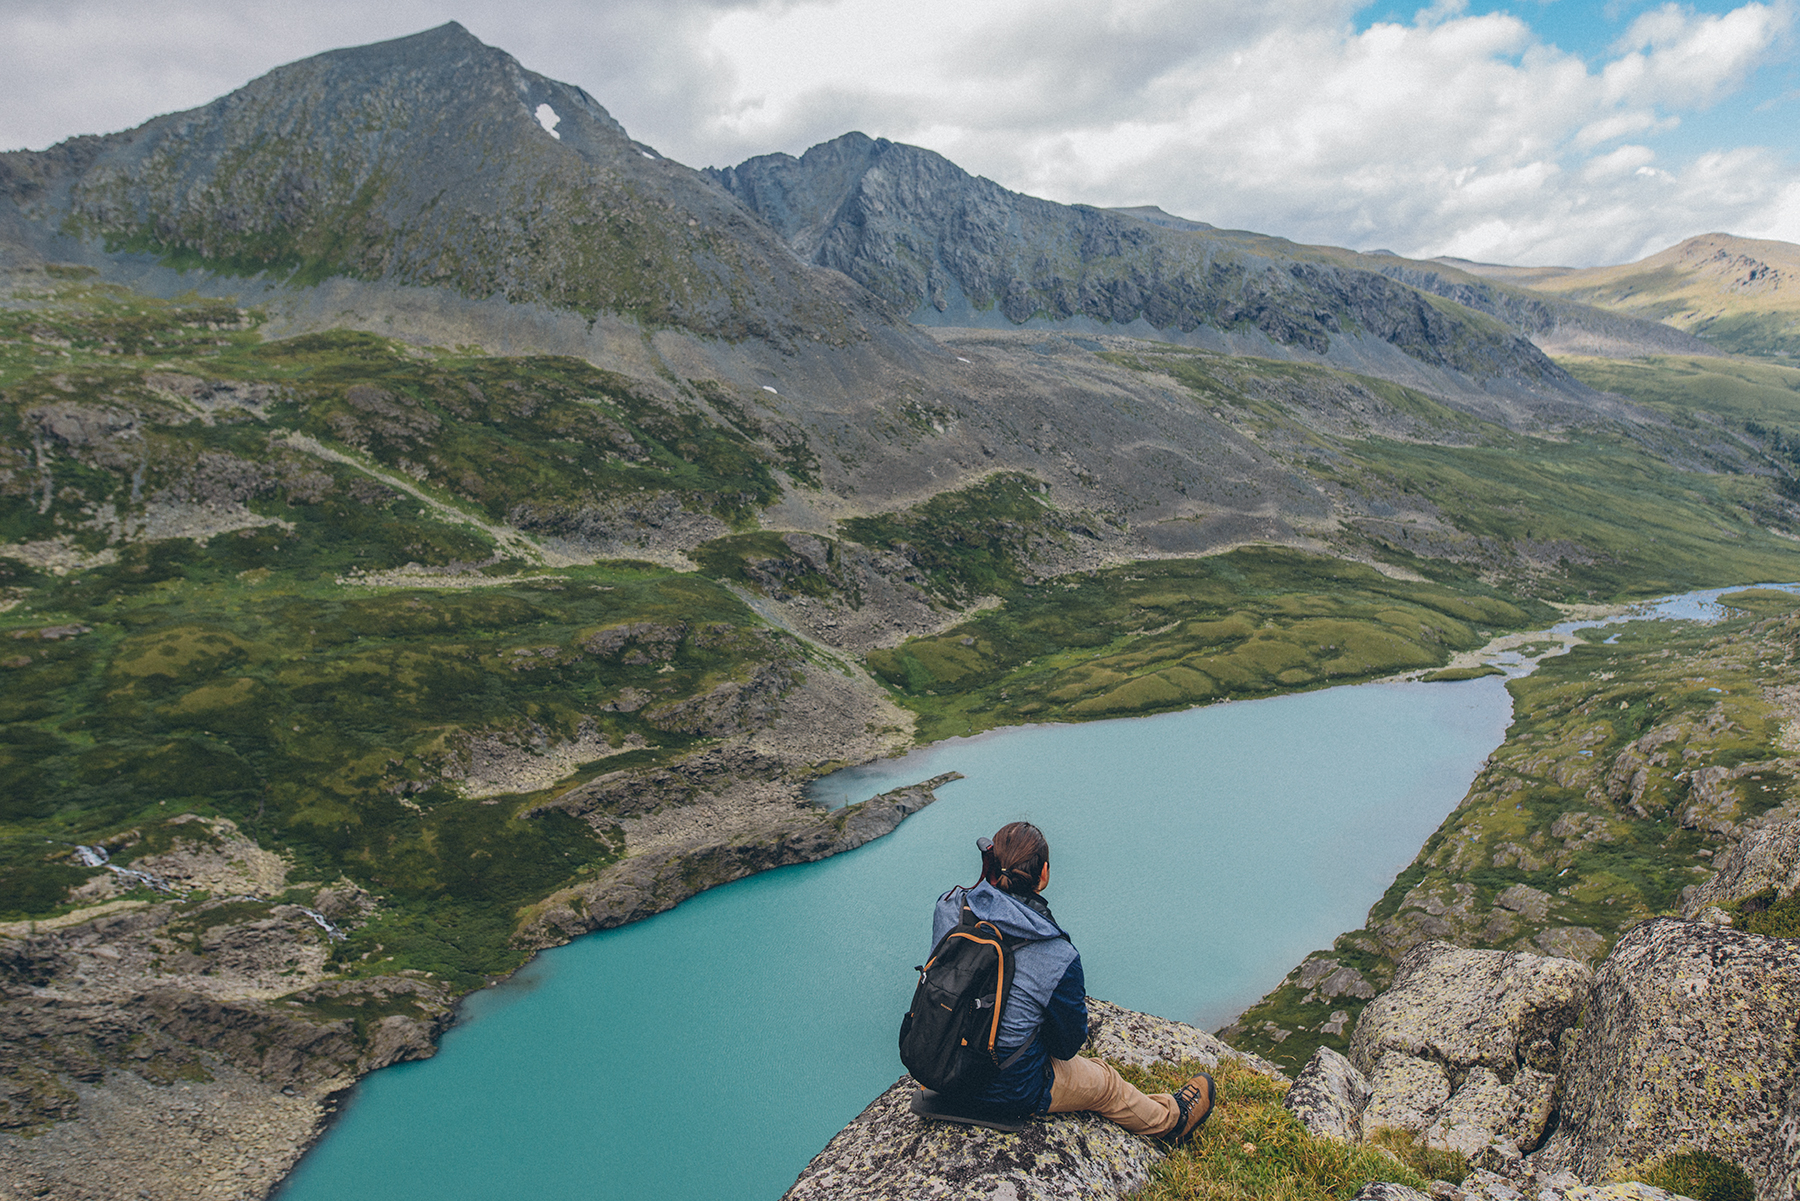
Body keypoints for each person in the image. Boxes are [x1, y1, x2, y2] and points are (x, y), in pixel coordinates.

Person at [925, 820, 1216, 1142]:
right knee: (1106, 1083)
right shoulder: (1056, 954)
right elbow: (1066, 1046)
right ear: (1044, 874)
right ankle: (1172, 1122)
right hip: (1007, 1087)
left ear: (990, 862)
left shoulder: (950, 906)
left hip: (935, 1061)